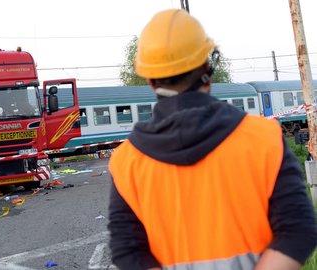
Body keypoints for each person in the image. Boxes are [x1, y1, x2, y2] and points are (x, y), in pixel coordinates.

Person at [108, 9, 317, 270]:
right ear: (207, 68)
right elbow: (298, 231)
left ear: (150, 80)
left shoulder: (127, 161)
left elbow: (127, 250)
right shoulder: (263, 138)